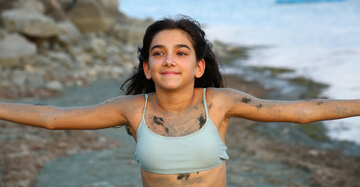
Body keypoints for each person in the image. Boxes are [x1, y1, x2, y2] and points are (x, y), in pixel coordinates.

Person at [0, 16, 359, 187]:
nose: (169, 60)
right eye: (159, 53)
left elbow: (300, 112)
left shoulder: (219, 103)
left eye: (181, 52)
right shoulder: (131, 109)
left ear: (198, 66)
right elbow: (53, 117)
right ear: (148, 65)